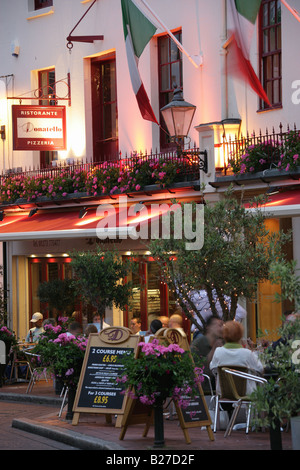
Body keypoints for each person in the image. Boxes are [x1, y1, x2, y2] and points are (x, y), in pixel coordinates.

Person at [210, 320, 264, 396]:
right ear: (240, 335)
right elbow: (260, 369)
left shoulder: (218, 352)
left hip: (224, 393)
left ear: (224, 335)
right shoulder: (247, 353)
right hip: (246, 393)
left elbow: (213, 369)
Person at [191, 316, 224, 392]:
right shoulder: (198, 343)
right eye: (218, 325)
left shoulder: (222, 342)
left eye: (222, 325)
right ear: (208, 327)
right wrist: (213, 350)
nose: (221, 328)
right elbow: (198, 367)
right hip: (203, 387)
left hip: (218, 386)